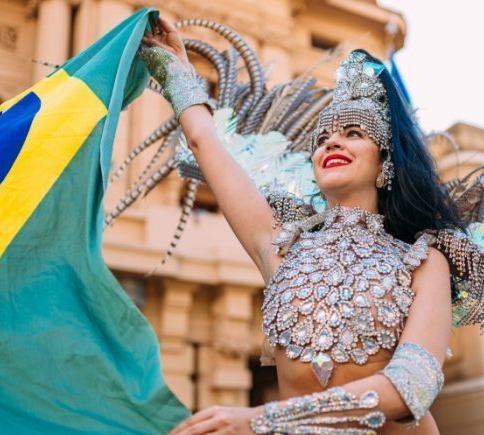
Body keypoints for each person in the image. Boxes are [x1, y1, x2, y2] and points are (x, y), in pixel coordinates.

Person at [139, 16, 466, 434]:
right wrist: (177, 70)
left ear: (385, 163)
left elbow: (409, 389)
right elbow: (205, 143)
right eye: (323, 137)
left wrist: (260, 420)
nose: (331, 141)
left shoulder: (423, 261)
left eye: (352, 133)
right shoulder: (282, 247)